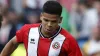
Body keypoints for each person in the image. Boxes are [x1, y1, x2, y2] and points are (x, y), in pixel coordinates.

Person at [0, 1, 82, 56]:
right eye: (46, 20)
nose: (49, 24)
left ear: (60, 20)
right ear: (41, 17)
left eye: (53, 21)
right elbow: (13, 43)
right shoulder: (27, 30)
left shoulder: (68, 40)